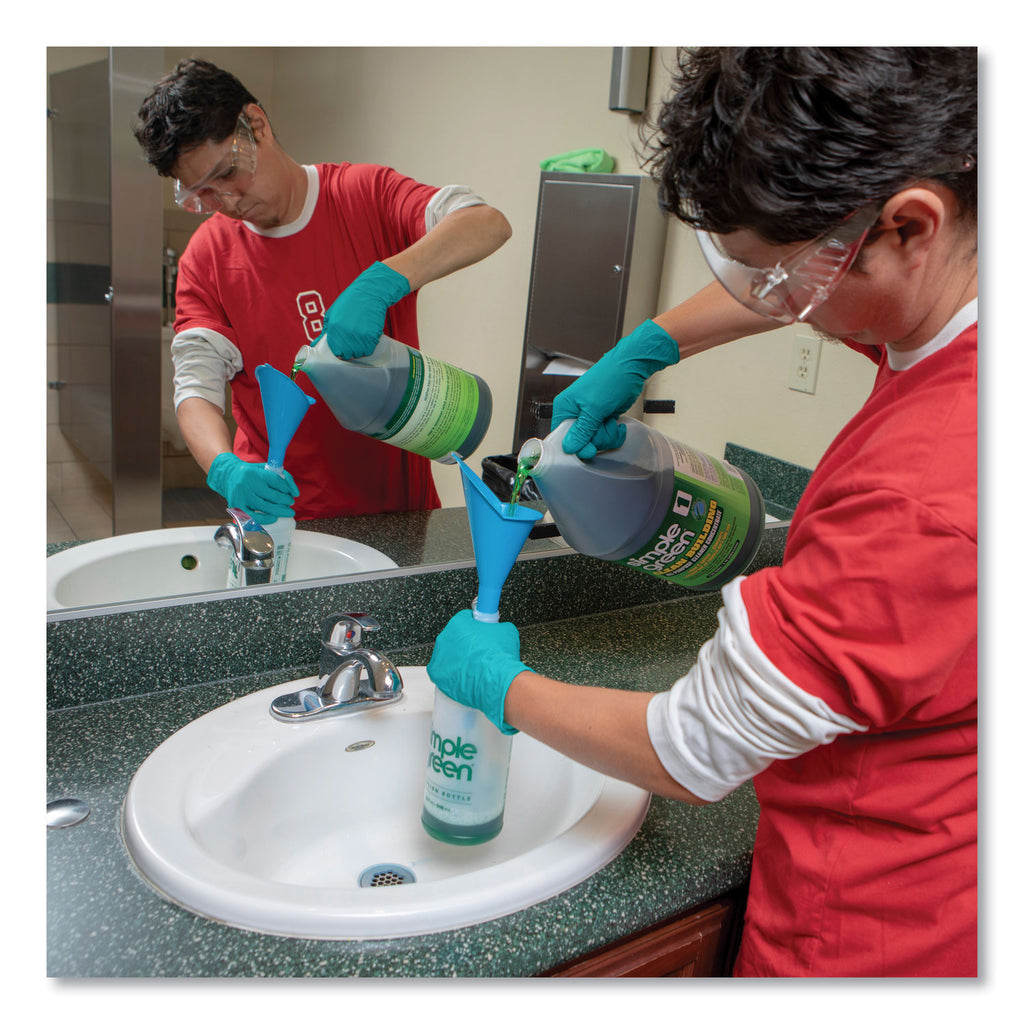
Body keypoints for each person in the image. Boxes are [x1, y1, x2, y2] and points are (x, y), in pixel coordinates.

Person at [427, 47, 977, 977]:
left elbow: (692, 751)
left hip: (875, 929)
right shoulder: (957, 307)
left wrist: (499, 687)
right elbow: (818, 281)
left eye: (780, 280)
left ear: (910, 226)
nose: (779, 306)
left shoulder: (919, 495)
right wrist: (649, 345)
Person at [134, 58, 511, 522]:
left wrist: (384, 281)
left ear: (256, 125)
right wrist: (224, 468)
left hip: (397, 515)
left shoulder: (364, 194)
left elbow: (485, 223)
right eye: (203, 194)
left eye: (228, 173)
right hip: (278, 518)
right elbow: (196, 391)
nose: (226, 201)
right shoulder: (207, 258)